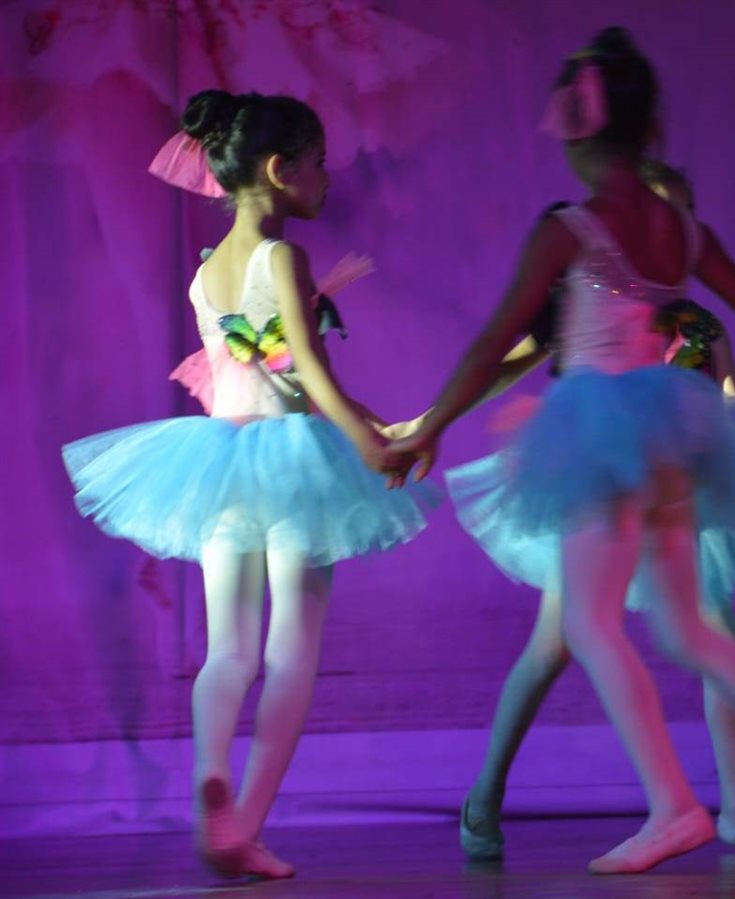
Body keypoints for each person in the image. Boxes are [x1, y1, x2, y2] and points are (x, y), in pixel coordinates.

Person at [388, 29, 735, 873]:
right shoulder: (681, 229)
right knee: (686, 626)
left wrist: (431, 424)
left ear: (579, 131)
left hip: (598, 429)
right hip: (670, 430)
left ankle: (674, 805)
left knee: (591, 621)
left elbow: (494, 342)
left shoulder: (572, 227)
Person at [62, 90, 429, 878]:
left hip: (221, 457)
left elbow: (283, 374)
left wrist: (377, 421)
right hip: (293, 463)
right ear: (279, 169)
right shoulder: (282, 259)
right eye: (318, 162)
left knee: (227, 649)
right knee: (292, 647)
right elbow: (311, 376)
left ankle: (209, 774)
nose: (328, 176)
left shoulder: (205, 275)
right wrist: (370, 444)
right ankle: (248, 822)